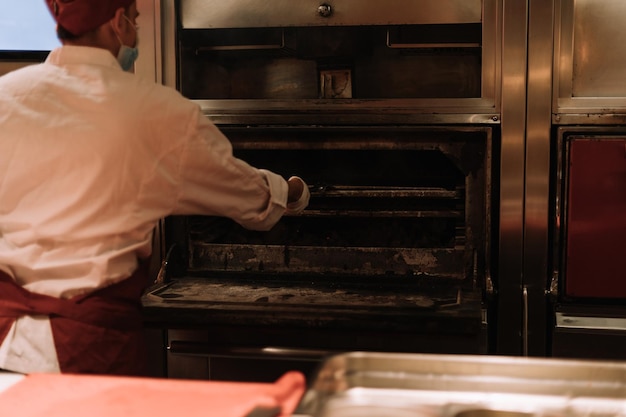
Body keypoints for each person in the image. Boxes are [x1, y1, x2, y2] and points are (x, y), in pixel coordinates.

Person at [0, 0, 310, 376]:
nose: (136, 28)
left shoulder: (7, 95)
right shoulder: (157, 113)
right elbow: (249, 199)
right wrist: (291, 192)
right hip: (85, 347)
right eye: (136, 18)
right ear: (118, 22)